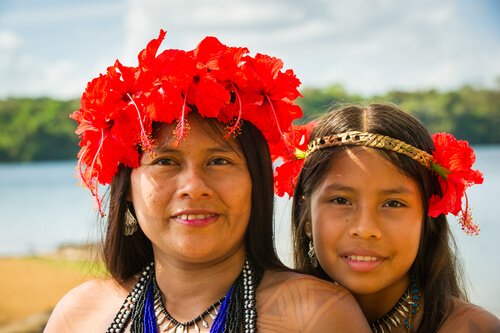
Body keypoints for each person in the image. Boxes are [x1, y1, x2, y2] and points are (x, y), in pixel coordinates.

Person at [44, 30, 370, 332]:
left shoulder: (319, 316)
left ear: (256, 181)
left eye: (219, 161)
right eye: (165, 162)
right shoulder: (78, 316)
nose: (194, 186)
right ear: (127, 189)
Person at [277, 103, 500, 332]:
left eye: (393, 204)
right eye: (341, 200)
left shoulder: (474, 328)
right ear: (306, 217)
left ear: (427, 220)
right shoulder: (266, 322)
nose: (364, 228)